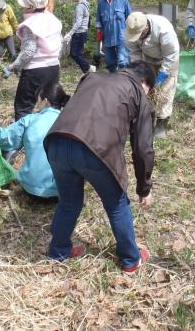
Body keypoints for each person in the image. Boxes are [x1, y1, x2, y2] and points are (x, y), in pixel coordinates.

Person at [43, 61, 155, 273]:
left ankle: (58, 251)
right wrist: (145, 188)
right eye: (149, 90)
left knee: (68, 201)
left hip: (56, 140)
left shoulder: (92, 78)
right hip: (94, 149)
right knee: (117, 203)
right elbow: (143, 147)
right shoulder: (138, 93)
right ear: (144, 82)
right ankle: (131, 259)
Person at [0, 82, 70, 200]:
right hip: (66, 191)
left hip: (33, 189)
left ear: (45, 101)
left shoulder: (30, 120)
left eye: (38, 101)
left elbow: (2, 139)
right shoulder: (72, 122)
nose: (37, 105)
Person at [5, 0, 62, 120]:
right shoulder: (53, 20)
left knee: (23, 107)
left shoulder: (30, 24)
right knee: (51, 106)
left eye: (24, 5)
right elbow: (60, 43)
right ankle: (47, 135)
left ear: (31, 7)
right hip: (54, 69)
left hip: (35, 71)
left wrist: (13, 66)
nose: (22, 8)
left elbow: (29, 51)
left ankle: (23, 138)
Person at [125, 12, 179, 139]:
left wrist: (162, 76)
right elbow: (134, 53)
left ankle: (162, 123)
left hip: (166, 59)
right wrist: (139, 72)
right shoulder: (131, 29)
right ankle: (148, 119)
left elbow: (171, 56)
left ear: (146, 28)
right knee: (147, 91)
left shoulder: (164, 30)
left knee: (165, 92)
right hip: (147, 59)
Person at [96, 0, 132, 72]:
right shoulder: (101, 3)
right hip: (107, 37)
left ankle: (125, 81)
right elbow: (99, 20)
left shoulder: (123, 1)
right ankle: (114, 81)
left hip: (122, 36)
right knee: (110, 63)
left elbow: (131, 18)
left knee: (123, 62)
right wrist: (99, 34)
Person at [64, 0, 95, 74]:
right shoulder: (85, 3)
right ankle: (87, 71)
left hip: (79, 33)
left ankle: (89, 68)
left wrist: (70, 34)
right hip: (84, 32)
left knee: (74, 54)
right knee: (79, 53)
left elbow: (78, 22)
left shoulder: (80, 6)